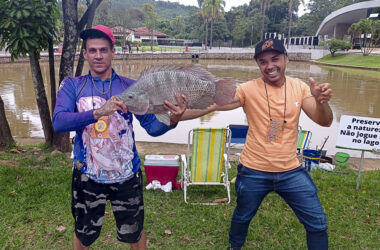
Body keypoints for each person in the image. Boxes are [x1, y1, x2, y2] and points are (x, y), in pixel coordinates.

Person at [181, 38, 333, 250]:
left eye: (275, 59)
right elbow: (211, 105)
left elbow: (324, 121)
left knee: (318, 223)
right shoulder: (247, 89)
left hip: (290, 171)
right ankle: (234, 246)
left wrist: (321, 102)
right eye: (263, 62)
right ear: (258, 65)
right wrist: (177, 116)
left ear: (286, 59)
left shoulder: (299, 87)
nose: (269, 66)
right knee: (242, 216)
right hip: (253, 170)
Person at [53, 25, 187, 250]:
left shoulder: (130, 87)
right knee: (83, 232)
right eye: (92, 50)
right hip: (88, 175)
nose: (98, 56)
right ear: (84, 53)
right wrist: (97, 113)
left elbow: (152, 128)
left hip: (126, 173)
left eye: (103, 50)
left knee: (134, 232)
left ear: (113, 51)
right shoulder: (73, 86)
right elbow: (58, 122)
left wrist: (173, 120)